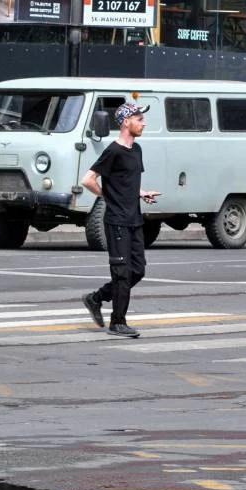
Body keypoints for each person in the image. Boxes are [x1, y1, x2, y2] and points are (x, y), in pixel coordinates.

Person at [81, 99, 161, 338]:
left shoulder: (136, 150)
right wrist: (108, 196)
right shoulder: (112, 151)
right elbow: (88, 180)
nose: (143, 123)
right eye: (139, 119)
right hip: (116, 220)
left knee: (138, 270)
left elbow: (126, 182)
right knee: (122, 273)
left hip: (135, 220)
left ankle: (96, 298)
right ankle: (118, 322)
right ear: (126, 123)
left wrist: (141, 193)